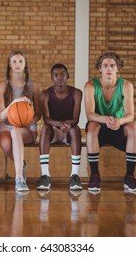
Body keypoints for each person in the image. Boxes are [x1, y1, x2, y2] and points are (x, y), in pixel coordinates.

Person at [84, 51, 136, 193]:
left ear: (118, 68)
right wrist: (105, 119)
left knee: (133, 127)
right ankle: (95, 175)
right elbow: (90, 114)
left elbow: (130, 115)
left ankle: (129, 176)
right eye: (105, 65)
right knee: (91, 126)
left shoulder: (126, 85)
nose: (109, 69)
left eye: (112, 66)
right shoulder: (91, 86)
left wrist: (119, 121)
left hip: (118, 127)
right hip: (100, 128)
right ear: (99, 68)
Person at [0, 50, 41, 192]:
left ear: (25, 64)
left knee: (16, 132)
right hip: (6, 125)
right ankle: (22, 164)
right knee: (6, 143)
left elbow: (38, 114)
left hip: (26, 127)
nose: (17, 64)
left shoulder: (34, 86)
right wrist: (15, 101)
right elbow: (2, 115)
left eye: (20, 61)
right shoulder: (2, 86)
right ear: (9, 64)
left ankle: (19, 178)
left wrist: (25, 123)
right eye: (14, 61)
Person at [37, 63, 83, 191]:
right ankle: (45, 175)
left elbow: (76, 118)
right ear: (51, 78)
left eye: (62, 74)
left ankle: (75, 175)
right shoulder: (45, 94)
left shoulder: (77, 93)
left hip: (69, 130)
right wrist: (60, 124)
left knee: (76, 129)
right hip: (53, 130)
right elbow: (46, 118)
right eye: (55, 75)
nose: (59, 77)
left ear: (68, 76)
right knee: (45, 128)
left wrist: (68, 124)